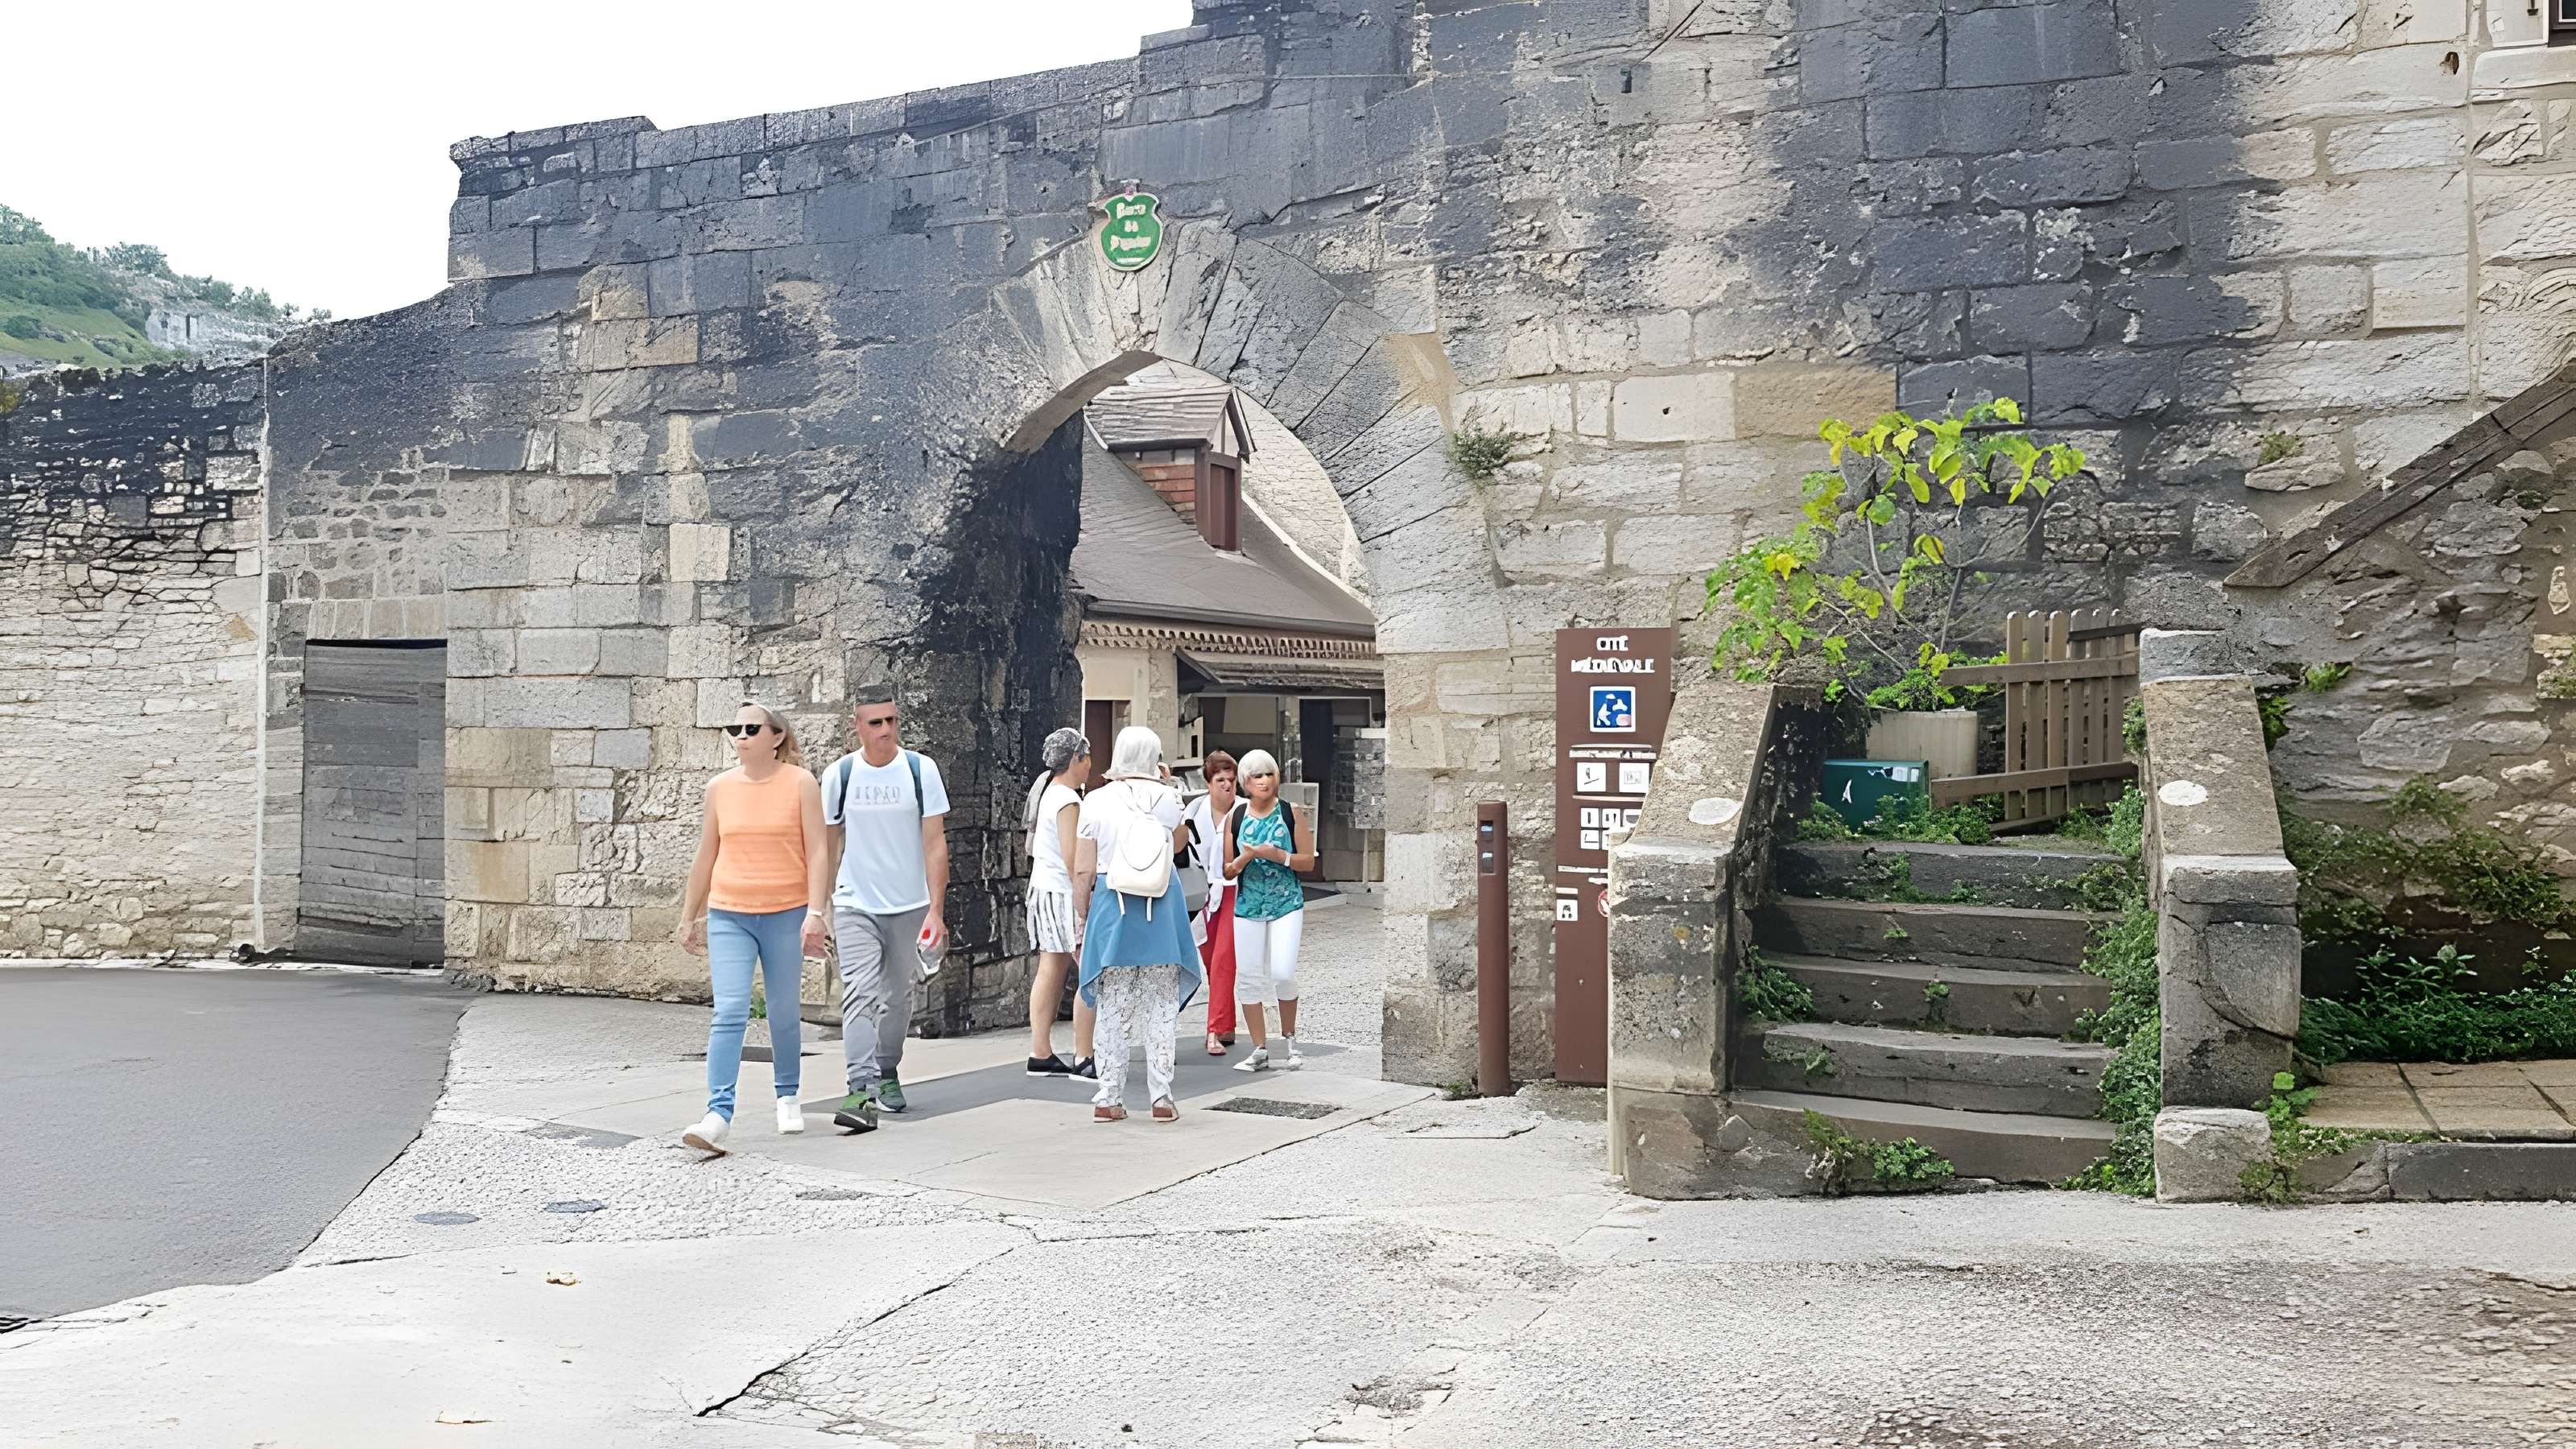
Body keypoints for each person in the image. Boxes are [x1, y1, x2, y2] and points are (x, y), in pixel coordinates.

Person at [675, 703, 831, 1156]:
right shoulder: (720, 788)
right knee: (729, 1011)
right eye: (734, 728)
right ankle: (717, 1115)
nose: (740, 736)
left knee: (783, 1010)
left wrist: (816, 912)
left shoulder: (801, 784)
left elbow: (818, 852)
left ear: (776, 737)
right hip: (729, 912)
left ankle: (787, 1095)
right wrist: (690, 915)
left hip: (786, 911)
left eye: (751, 728)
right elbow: (707, 853)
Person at [818, 683, 951, 1134]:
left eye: (892, 721)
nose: (886, 730)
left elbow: (935, 844)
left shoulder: (920, 770)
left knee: (898, 999)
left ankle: (888, 1068)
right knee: (859, 992)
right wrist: (818, 909)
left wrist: (936, 909)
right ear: (857, 726)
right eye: (876, 723)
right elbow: (827, 847)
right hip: (855, 902)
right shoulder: (840, 776)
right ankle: (860, 1090)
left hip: (910, 905)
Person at [1075, 726, 1200, 1123]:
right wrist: (1167, 785)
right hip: (1161, 904)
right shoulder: (1168, 798)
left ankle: (1108, 1096)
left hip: (1114, 906)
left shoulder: (1094, 800)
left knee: (1113, 1006)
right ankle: (1161, 1098)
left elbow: (1083, 870)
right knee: (1161, 1005)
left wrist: (1084, 916)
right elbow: (1178, 845)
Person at [1225, 749, 1317, 1073]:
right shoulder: (1235, 817)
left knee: (1282, 972)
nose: (1264, 781)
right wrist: (1244, 859)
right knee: (1248, 979)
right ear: (1245, 783)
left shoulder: (1291, 812)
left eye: (1269, 774)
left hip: (1286, 903)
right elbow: (1227, 870)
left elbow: (1308, 860)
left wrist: (1278, 855)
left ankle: (1291, 1040)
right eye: (1256, 776)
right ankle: (1259, 1048)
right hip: (1248, 905)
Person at [1022, 726, 1099, 1079]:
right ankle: (1085, 1055)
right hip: (1064, 895)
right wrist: (1086, 897)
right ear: (1076, 760)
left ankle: (1041, 1050)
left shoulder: (1046, 792)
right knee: (1091, 970)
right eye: (1086, 758)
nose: (1090, 765)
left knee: (1050, 969)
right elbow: (1073, 859)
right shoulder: (1068, 799)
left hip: (1043, 889)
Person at [1183, 750, 1241, 1057]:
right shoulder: (1193, 811)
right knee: (1209, 960)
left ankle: (1213, 1031)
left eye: (1232, 780)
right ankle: (1227, 1023)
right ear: (1208, 782)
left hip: (1236, 890)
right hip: (1202, 891)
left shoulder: (1246, 811)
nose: (1227, 786)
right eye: (1220, 780)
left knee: (1223, 960)